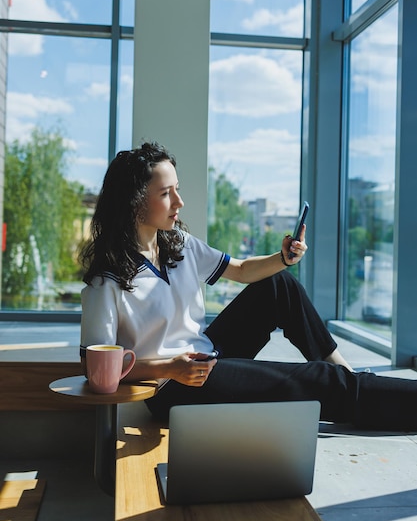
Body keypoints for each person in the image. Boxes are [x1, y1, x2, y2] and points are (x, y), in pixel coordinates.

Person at [79, 141, 417, 431]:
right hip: (173, 387)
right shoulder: (106, 281)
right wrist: (171, 367)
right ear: (135, 201)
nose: (179, 202)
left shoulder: (176, 243)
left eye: (177, 189)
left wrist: (282, 258)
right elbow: (97, 371)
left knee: (278, 284)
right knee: (319, 383)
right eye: (166, 194)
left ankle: (344, 371)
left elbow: (241, 270)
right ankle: (354, 387)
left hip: (206, 355)